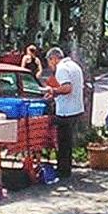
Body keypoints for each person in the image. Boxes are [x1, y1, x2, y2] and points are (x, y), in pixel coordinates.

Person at [43, 47, 84, 179]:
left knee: (63, 142)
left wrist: (53, 91)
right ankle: (65, 168)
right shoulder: (74, 65)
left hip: (66, 111)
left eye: (49, 62)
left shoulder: (61, 68)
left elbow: (67, 88)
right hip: (76, 109)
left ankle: (63, 171)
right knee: (67, 142)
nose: (50, 66)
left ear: (54, 59)